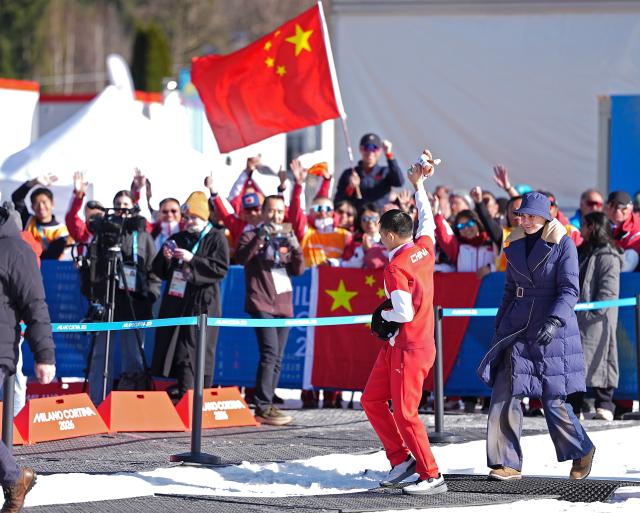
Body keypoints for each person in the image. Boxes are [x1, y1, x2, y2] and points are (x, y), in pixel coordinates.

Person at [477, 192, 595, 481]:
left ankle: (581, 450)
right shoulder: (513, 242)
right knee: (504, 391)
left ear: (546, 216)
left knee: (553, 399)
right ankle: (507, 463)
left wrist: (555, 320)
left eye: (531, 215)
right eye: (521, 215)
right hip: (516, 326)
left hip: (551, 328)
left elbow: (570, 289)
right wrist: (500, 324)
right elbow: (509, 290)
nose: (525, 220)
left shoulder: (563, 243)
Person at [361, 155, 447, 496]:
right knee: (371, 400)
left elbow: (404, 313)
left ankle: (432, 475)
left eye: (382, 234)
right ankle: (402, 460)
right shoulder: (424, 247)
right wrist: (419, 185)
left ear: (391, 234)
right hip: (406, 346)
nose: (380, 239)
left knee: (406, 413)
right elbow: (427, 220)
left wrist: (382, 317)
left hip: (409, 347)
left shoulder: (395, 268)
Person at [0, 205, 56, 511]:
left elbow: (35, 304)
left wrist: (44, 354)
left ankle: (14, 477)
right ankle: (14, 476)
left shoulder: (16, 249)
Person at [85, 190, 160, 405]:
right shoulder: (103, 233)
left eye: (125, 204)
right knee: (100, 355)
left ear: (133, 206)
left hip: (134, 302)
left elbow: (153, 270)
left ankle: (132, 403)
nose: (121, 208)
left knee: (133, 355)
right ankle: (97, 401)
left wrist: (152, 296)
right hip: (107, 300)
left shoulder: (143, 235)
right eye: (117, 204)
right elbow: (92, 269)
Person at [152, 192, 229, 400]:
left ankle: (195, 397)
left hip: (204, 302)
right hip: (178, 301)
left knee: (195, 350)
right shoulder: (178, 237)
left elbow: (220, 269)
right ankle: (184, 393)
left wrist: (192, 259)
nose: (189, 222)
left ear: (205, 218)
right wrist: (167, 259)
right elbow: (158, 270)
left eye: (194, 218)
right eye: (187, 218)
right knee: (177, 349)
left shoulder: (216, 238)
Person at [235, 195, 304, 425]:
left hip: (283, 303)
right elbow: (241, 258)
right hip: (261, 302)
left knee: (278, 357)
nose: (276, 215)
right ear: (263, 213)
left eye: (279, 211)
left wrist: (296, 248)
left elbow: (298, 270)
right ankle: (262, 405)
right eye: (271, 211)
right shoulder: (250, 234)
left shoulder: (285, 236)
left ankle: (268, 403)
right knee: (269, 352)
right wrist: (260, 238)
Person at [567, 212, 623, 421]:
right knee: (575, 362)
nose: (581, 229)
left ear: (593, 227)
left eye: (584, 225)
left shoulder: (609, 256)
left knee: (603, 357)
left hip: (599, 319)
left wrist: (592, 311)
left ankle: (605, 405)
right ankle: (575, 406)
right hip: (578, 318)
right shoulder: (584, 252)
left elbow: (609, 291)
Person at [334, 133, 404, 210]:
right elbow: (338, 201)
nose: (370, 152)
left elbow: (399, 182)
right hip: (360, 219)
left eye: (375, 148)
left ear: (380, 151)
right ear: (361, 149)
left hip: (381, 218)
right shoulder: (350, 173)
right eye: (367, 147)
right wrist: (350, 188)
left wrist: (388, 154)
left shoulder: (385, 171)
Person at [11, 174, 71, 259]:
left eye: (44, 202)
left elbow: (53, 255)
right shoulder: (28, 221)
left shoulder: (62, 231)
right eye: (37, 203)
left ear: (52, 204)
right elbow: (17, 198)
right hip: (28, 268)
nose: (41, 207)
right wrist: (34, 182)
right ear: (32, 207)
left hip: (52, 270)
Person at [65, 171, 104, 246]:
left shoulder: (110, 231)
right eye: (91, 217)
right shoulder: (81, 233)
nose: (95, 219)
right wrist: (78, 195)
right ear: (85, 217)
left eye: (98, 215)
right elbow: (71, 216)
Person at [341, 203, 387, 269]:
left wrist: (370, 251)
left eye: (374, 218)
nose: (370, 222)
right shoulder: (354, 242)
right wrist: (363, 251)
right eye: (365, 219)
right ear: (360, 222)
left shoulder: (389, 241)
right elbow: (346, 265)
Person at [606, 191, 640, 272]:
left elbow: (626, 267)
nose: (616, 210)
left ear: (630, 208)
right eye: (612, 205)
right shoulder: (603, 224)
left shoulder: (636, 229)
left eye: (621, 207)